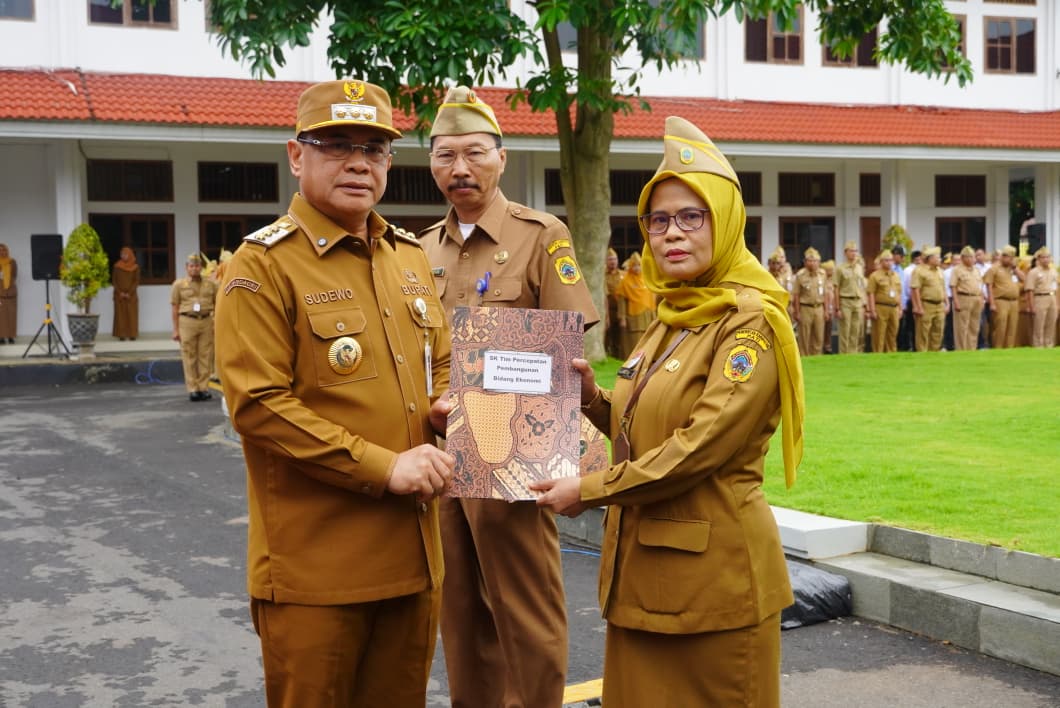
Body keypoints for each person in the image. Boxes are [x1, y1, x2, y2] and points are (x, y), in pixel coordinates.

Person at [532, 116, 803, 708]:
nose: (671, 233)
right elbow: (646, 426)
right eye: (658, 220)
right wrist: (592, 403)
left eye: (691, 216)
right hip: (642, 578)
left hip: (715, 587)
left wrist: (592, 486)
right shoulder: (671, 317)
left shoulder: (749, 322)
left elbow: (698, 448)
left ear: (725, 221)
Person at [214, 79, 455, 708]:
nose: (358, 163)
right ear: (297, 156)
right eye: (337, 145)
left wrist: (455, 407)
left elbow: (444, 363)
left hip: (413, 559)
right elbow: (258, 405)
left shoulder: (407, 258)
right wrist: (385, 466)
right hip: (317, 572)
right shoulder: (262, 265)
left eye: (374, 149)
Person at [418, 85, 598, 708]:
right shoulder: (417, 252)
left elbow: (566, 347)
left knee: (525, 608)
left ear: (502, 157)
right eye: (444, 156)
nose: (458, 169)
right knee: (460, 609)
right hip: (443, 451)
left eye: (473, 153)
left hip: (512, 447)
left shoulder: (540, 235)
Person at [171, 253, 218, 401]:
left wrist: (215, 322)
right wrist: (176, 329)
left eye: (197, 266)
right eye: (191, 266)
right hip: (187, 321)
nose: (194, 269)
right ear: (187, 268)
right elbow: (174, 307)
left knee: (205, 355)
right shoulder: (179, 285)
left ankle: (203, 388)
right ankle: (193, 389)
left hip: (206, 321)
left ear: (201, 267)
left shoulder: (210, 284)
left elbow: (218, 304)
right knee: (189, 355)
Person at [616, 251, 656, 357]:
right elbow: (621, 302)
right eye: (634, 266)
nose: (637, 268)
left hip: (647, 317)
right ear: (630, 267)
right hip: (633, 318)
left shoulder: (647, 280)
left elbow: (652, 298)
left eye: (639, 265)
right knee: (634, 340)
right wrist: (622, 317)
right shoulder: (625, 282)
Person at [984, 245, 1023, 349]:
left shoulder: (1013, 269)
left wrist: (1015, 268)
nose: (1011, 260)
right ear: (1003, 256)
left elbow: (1024, 279)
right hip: (1000, 301)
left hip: (1014, 302)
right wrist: (992, 303)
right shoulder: (994, 268)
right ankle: (998, 348)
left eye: (1012, 258)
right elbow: (989, 286)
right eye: (1009, 257)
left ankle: (1009, 348)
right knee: (1000, 327)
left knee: (1012, 327)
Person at [910, 246, 948, 351]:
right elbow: (915, 289)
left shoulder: (940, 271)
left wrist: (947, 303)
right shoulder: (919, 271)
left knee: (938, 331)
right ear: (930, 259)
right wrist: (918, 306)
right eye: (937, 257)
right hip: (926, 304)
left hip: (939, 305)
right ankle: (922, 355)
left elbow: (943, 288)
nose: (940, 259)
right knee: (923, 332)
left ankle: (934, 353)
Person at [866, 249, 902, 352]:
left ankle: (891, 354)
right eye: (886, 260)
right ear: (881, 262)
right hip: (881, 307)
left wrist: (900, 308)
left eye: (891, 260)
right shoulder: (875, 276)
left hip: (894, 308)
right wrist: (872, 310)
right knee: (879, 334)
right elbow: (871, 293)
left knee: (893, 333)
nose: (889, 262)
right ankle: (878, 355)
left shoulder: (896, 275)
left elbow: (899, 292)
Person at [950, 246, 984, 351]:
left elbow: (980, 285)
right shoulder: (957, 270)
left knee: (974, 327)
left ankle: (971, 349)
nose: (973, 259)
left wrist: (982, 299)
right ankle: (961, 349)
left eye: (973, 257)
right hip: (963, 298)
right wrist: (956, 302)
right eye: (970, 257)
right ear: (963, 258)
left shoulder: (977, 270)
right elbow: (953, 286)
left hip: (976, 298)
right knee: (962, 327)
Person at [834, 240, 866, 353]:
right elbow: (836, 288)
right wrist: (837, 308)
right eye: (851, 251)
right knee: (845, 330)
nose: (854, 253)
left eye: (856, 251)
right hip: (845, 301)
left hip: (857, 302)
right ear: (845, 253)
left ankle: (853, 354)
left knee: (855, 330)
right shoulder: (840, 268)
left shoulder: (859, 268)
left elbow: (862, 286)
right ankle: (843, 354)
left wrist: (863, 303)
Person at [793, 247, 826, 355]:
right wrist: (797, 312)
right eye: (810, 261)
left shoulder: (822, 274)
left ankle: (817, 357)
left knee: (819, 335)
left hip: (819, 307)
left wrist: (826, 310)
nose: (812, 263)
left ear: (819, 262)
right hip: (805, 308)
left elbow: (825, 293)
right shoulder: (800, 275)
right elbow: (796, 295)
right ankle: (804, 357)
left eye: (815, 261)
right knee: (804, 336)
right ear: (805, 262)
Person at [1024, 246, 1058, 347]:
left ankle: (1049, 344)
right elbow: (1029, 289)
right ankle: (1038, 345)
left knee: (1051, 323)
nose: (1046, 259)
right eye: (1043, 257)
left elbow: (1057, 288)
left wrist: (1057, 303)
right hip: (1040, 297)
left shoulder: (1054, 271)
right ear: (1038, 259)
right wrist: (1031, 305)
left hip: (1052, 297)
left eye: (1048, 257)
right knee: (1039, 324)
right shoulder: (1034, 272)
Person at [111, 246, 139, 340]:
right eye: (122, 254)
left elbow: (136, 281)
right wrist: (120, 292)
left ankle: (132, 334)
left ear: (130, 255)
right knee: (120, 315)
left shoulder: (135, 267)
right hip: (119, 295)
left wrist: (129, 293)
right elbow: (114, 281)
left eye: (125, 254)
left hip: (131, 295)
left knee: (132, 315)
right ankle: (121, 335)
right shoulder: (117, 266)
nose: (123, 256)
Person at [604, 247, 625, 358]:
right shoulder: (602, 275)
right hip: (607, 309)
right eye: (610, 259)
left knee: (619, 335)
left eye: (615, 259)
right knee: (607, 333)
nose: (613, 261)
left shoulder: (623, 275)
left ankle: (618, 355)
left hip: (620, 309)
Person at [900, 249, 922, 351]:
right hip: (911, 300)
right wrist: (904, 304)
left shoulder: (923, 269)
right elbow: (904, 288)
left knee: (920, 325)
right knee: (911, 326)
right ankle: (910, 345)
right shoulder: (908, 270)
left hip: (922, 300)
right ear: (916, 259)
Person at [0, 242, 16, 344]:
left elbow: (14, 275)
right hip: (0, 292)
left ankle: (11, 337)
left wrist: (9, 286)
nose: (2, 252)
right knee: (1, 317)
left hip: (11, 293)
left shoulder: (12, 262)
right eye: (0, 250)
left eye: (4, 250)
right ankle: (1, 337)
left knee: (11, 315)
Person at [821, 258, 836, 353]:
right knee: (822, 329)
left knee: (829, 329)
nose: (831, 272)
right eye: (829, 270)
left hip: (832, 308)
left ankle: (828, 345)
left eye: (832, 270)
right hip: (823, 308)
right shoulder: (822, 280)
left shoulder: (834, 280)